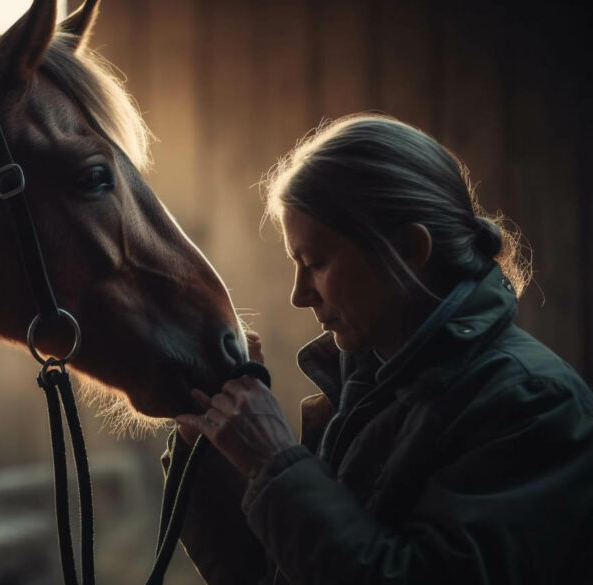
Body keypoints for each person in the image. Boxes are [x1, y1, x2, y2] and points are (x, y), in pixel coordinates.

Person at [167, 113, 593, 585]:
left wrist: (276, 463)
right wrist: (213, 459)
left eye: (316, 263)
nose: (299, 294)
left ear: (411, 249)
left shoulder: (534, 406)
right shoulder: (369, 388)